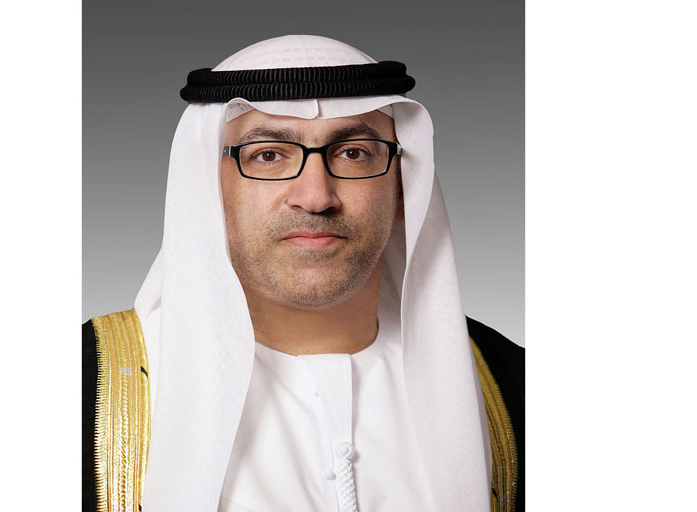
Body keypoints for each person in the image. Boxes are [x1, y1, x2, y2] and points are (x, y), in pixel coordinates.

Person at [83, 35, 523, 512]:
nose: (315, 197)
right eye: (268, 155)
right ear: (206, 190)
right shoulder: (78, 391)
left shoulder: (515, 386)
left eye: (354, 153)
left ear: (403, 189)